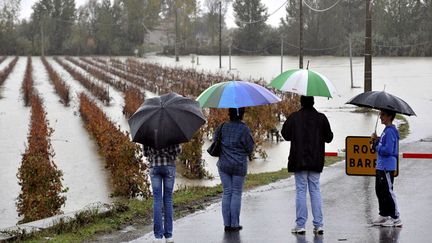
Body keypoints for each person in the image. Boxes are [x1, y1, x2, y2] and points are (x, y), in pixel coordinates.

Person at [281, 95, 333, 235]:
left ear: (301, 102)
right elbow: (329, 138)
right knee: (315, 191)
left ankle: (300, 225)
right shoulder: (321, 118)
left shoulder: (294, 117)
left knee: (301, 192)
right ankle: (319, 225)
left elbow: (285, 134)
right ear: (313, 102)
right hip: (316, 161)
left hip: (298, 161)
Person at [213, 107, 254, 232]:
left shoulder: (222, 126)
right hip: (239, 166)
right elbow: (250, 148)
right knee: (236, 193)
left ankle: (227, 224)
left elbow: (215, 141)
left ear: (229, 113)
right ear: (242, 114)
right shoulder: (245, 129)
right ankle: (235, 224)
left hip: (224, 165)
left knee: (227, 192)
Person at [144, 144, 181, 243]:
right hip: (169, 166)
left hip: (155, 166)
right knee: (168, 199)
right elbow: (177, 150)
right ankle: (169, 236)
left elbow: (145, 153)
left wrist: (155, 154)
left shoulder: (148, 131)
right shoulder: (172, 130)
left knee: (157, 200)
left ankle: (158, 237)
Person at [371, 109, 402, 227]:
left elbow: (388, 150)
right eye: (380, 114)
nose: (380, 117)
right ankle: (384, 214)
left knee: (388, 191)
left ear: (390, 116)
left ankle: (396, 218)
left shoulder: (390, 131)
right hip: (381, 166)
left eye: (383, 115)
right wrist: (377, 139)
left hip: (387, 166)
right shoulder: (386, 130)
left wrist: (376, 146)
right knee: (380, 191)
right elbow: (383, 144)